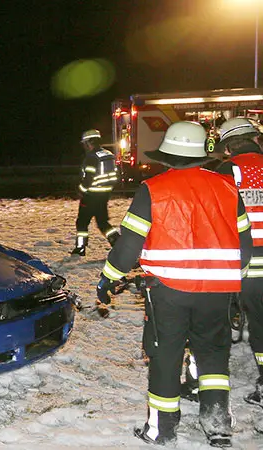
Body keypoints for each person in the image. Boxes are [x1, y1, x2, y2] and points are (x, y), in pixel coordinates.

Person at [96, 121, 252, 447]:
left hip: (168, 291)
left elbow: (128, 247)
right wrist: (232, 279)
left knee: (166, 356)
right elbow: (245, 244)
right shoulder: (227, 187)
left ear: (166, 156)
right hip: (217, 291)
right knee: (213, 355)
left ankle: (161, 430)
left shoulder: (152, 189)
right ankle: (218, 425)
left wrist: (108, 278)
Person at [214, 117, 263, 408]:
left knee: (259, 324)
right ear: (256, 139)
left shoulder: (225, 172)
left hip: (249, 263)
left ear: (228, 147)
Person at [71, 129, 120, 256]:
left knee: (82, 223)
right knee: (102, 222)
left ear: (89, 143)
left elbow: (88, 179)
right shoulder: (108, 154)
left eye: (84, 144)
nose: (84, 146)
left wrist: (80, 191)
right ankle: (118, 243)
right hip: (104, 195)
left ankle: (80, 248)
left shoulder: (92, 157)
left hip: (91, 196)